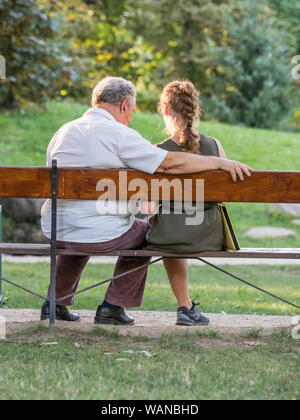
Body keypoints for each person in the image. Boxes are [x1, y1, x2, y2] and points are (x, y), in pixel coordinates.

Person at [40, 76, 252, 325]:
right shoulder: (119, 134)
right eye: (131, 110)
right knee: (144, 232)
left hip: (56, 229)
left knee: (83, 228)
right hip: (99, 232)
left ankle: (54, 303)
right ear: (124, 105)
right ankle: (112, 306)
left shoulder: (64, 131)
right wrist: (218, 162)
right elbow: (167, 163)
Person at [145, 80, 235, 326]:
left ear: (165, 109)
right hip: (209, 234)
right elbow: (225, 196)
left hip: (169, 236)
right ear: (195, 110)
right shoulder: (215, 146)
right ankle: (186, 309)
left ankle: (184, 305)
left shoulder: (158, 152)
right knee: (177, 225)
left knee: (171, 226)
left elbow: (147, 206)